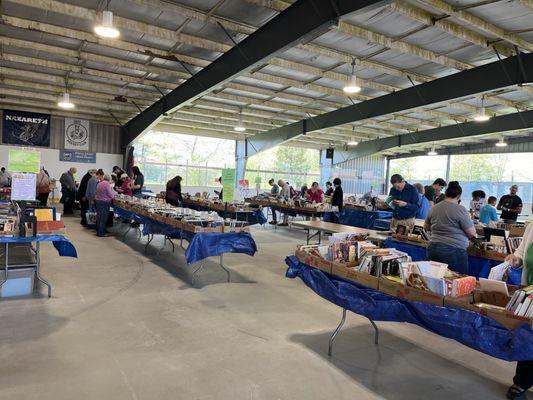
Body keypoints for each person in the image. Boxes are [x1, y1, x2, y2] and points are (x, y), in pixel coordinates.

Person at [505, 222, 533, 400]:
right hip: (529, 293)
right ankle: (522, 381)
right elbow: (522, 252)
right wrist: (515, 259)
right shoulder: (531, 226)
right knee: (529, 337)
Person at [424, 181, 477, 274]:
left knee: (435, 278)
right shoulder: (461, 209)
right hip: (454, 250)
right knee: (457, 280)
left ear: (446, 194)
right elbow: (471, 233)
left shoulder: (434, 208)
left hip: (433, 248)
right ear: (459, 196)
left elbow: (426, 227)